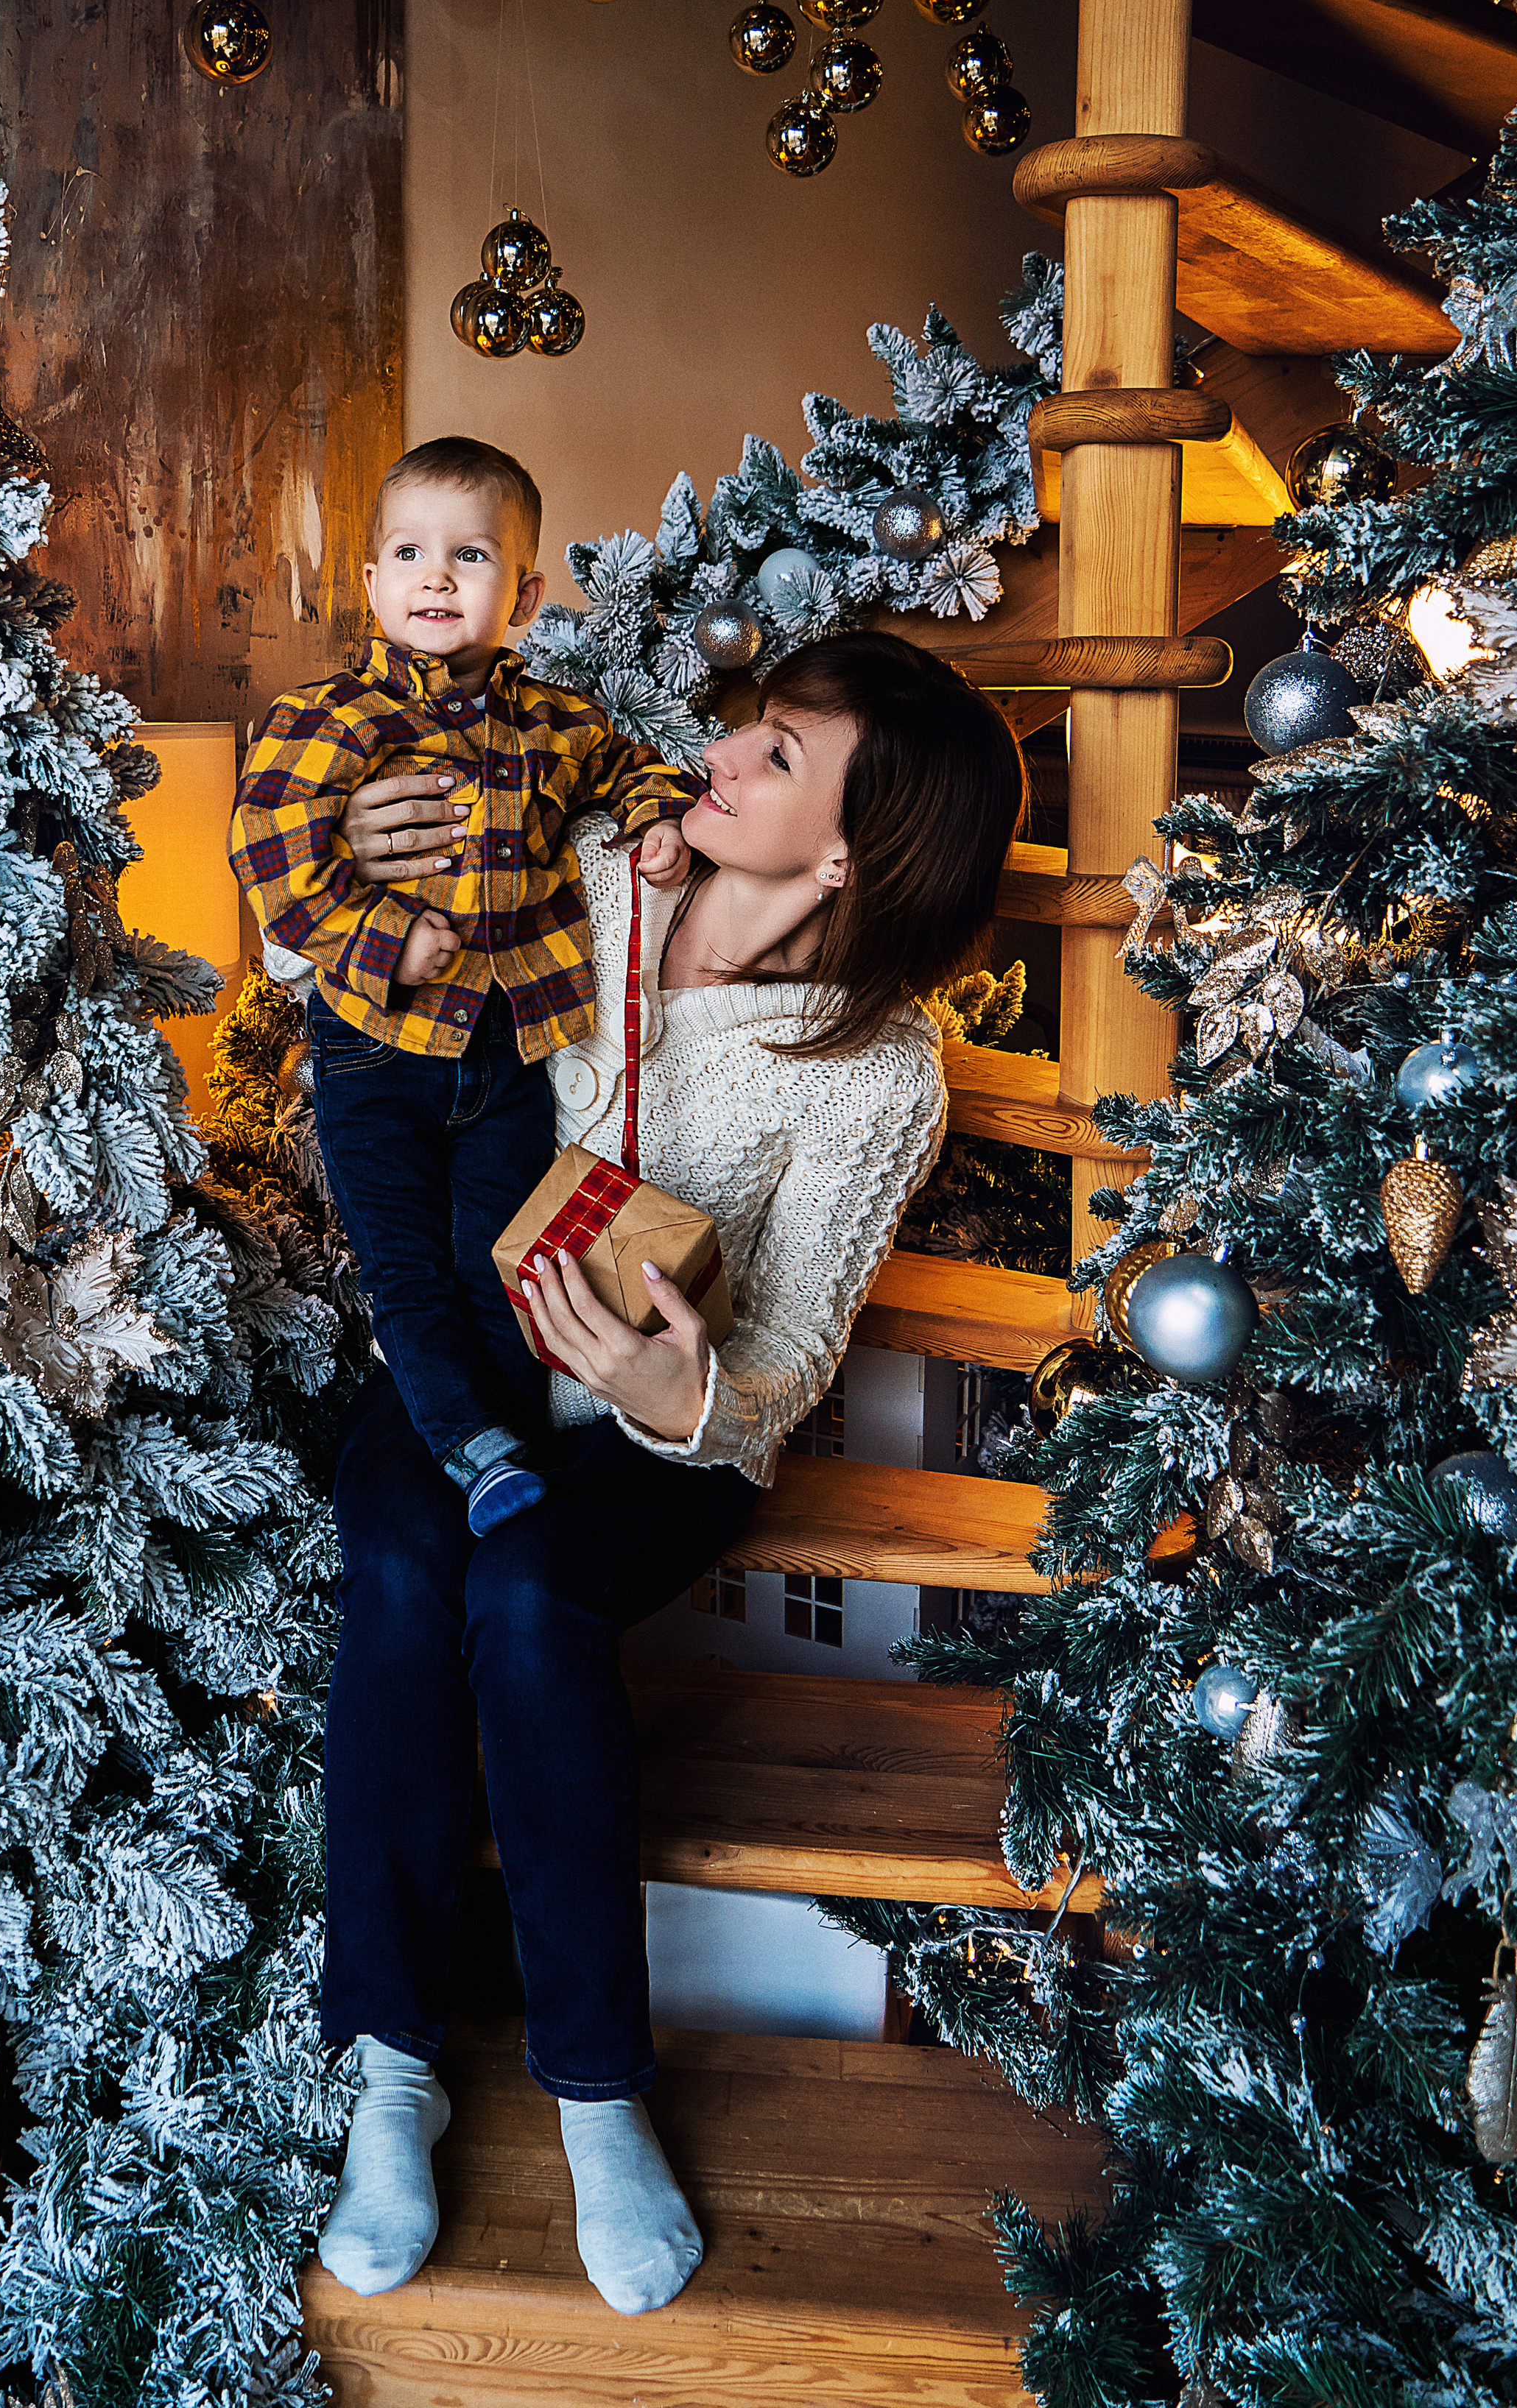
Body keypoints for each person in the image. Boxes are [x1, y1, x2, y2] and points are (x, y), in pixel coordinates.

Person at [311, 626, 1028, 2320]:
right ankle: (389, 2070)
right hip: (464, 1373)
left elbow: (781, 1371)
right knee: (413, 1564)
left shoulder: (877, 1069)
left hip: (664, 1433)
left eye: (777, 752)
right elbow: (380, 976)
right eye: (749, 724)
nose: (724, 754)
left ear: (849, 848)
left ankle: (593, 2088)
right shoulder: (587, 876)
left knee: (535, 1592)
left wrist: (671, 1390)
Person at [228, 436, 698, 1536]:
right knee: (403, 1268)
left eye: (471, 555)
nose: (438, 577)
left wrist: (656, 818)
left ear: (524, 594)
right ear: (374, 584)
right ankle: (467, 1443)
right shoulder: (330, 720)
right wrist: (381, 939)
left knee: (502, 1260)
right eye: (410, 552)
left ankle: (515, 1446)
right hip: (374, 1053)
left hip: (509, 1048)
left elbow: (639, 765)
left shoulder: (555, 722)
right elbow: (270, 852)